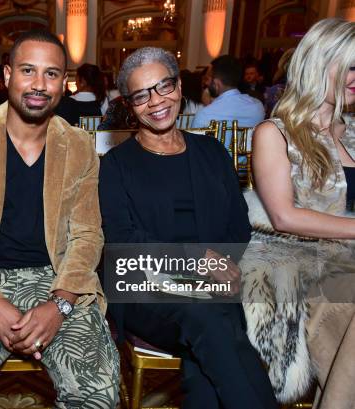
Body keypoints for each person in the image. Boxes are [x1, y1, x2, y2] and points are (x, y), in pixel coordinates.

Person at [0, 30, 119, 408]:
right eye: (28, 70)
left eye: (51, 74)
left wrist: (60, 303)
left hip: (58, 277)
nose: (39, 85)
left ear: (64, 82)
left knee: (98, 392)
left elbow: (87, 236)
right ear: (8, 75)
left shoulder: (79, 146)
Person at [99, 47, 278, 409]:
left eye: (163, 86)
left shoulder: (211, 151)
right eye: (140, 95)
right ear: (129, 105)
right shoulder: (117, 164)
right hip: (145, 286)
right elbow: (124, 242)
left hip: (218, 281)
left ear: (179, 86)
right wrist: (198, 262)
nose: (156, 101)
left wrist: (224, 265)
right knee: (211, 314)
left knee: (212, 329)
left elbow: (237, 223)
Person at [240, 18, 355, 408]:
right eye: (351, 65)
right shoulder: (276, 132)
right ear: (319, 62)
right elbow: (284, 217)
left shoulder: (354, 131)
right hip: (306, 267)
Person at [192, 55, 265, 130]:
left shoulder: (204, 115)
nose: (206, 83)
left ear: (217, 84)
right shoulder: (258, 106)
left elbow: (194, 141)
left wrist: (208, 106)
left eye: (207, 79)